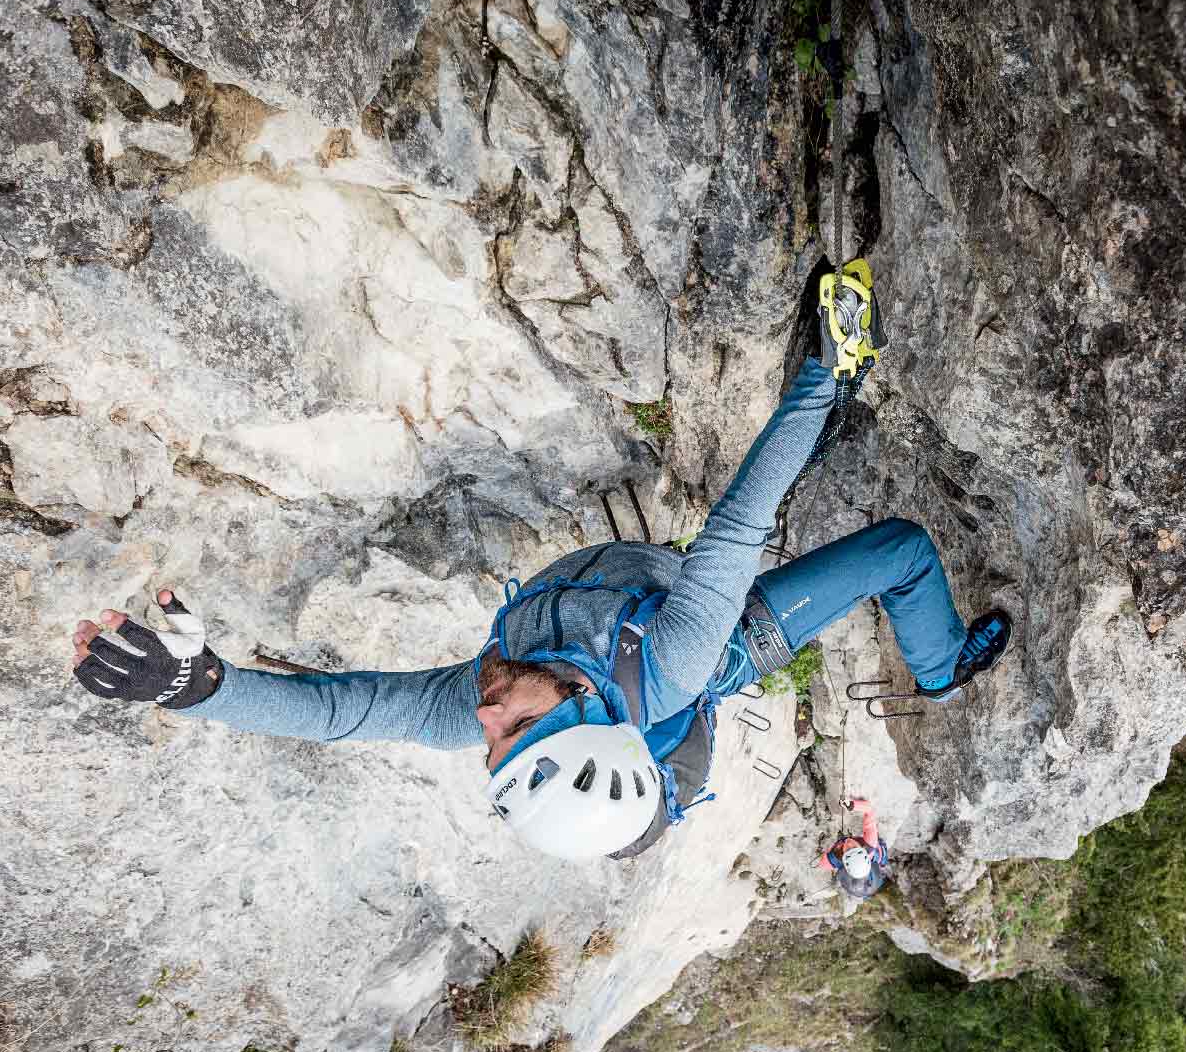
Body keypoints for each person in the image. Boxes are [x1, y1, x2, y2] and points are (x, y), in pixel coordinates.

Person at [70, 261, 1012, 863]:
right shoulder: (677, 662)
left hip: (628, 598)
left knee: (720, 570)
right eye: (512, 721)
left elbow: (341, 712)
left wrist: (198, 688)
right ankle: (939, 668)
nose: (482, 713)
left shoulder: (484, 701)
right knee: (900, 549)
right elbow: (737, 527)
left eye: (492, 736)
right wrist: (830, 371)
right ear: (582, 709)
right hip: (710, 648)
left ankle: (911, 655)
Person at [822, 797, 888, 900]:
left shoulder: (832, 860)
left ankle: (865, 894)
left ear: (843, 861)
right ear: (862, 849)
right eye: (855, 847)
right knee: (879, 853)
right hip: (874, 859)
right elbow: (869, 810)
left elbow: (823, 864)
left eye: (847, 850)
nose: (849, 843)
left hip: (857, 876)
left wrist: (832, 848)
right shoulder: (870, 845)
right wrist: (852, 804)